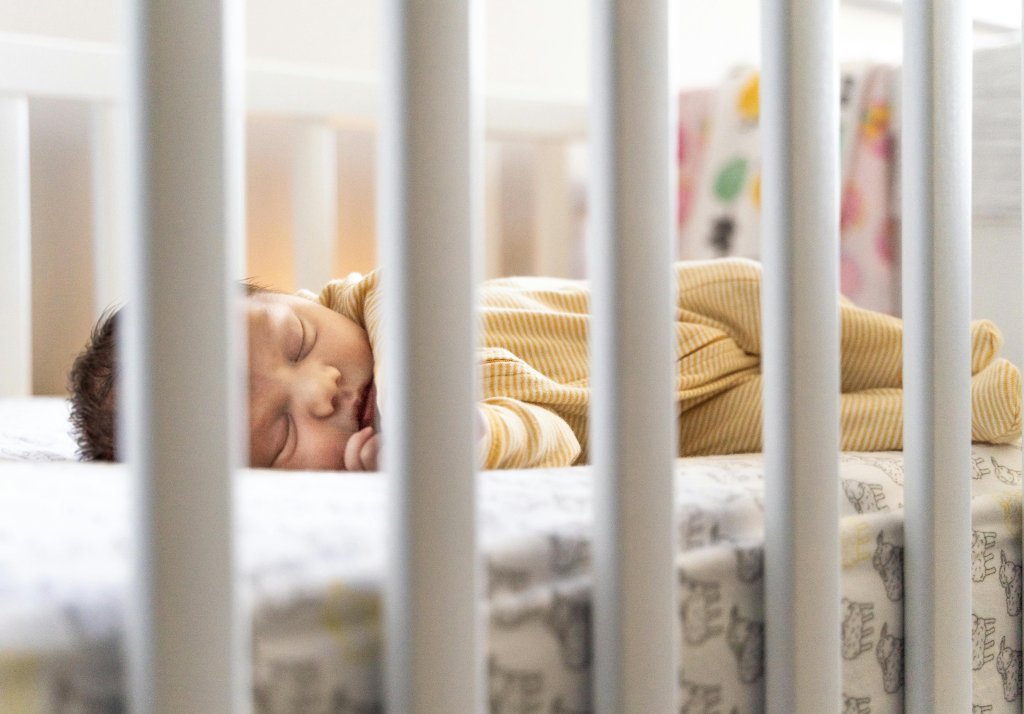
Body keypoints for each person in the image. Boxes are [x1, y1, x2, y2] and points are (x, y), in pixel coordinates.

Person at [68, 258, 1021, 471]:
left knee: (832, 326)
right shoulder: (388, 450)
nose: (323, 390)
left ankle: (967, 351)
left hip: (691, 310)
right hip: (687, 420)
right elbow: (550, 439)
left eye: (300, 345)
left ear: (304, 299)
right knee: (870, 421)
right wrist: (456, 437)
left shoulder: (381, 299)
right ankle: (999, 403)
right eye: (281, 433)